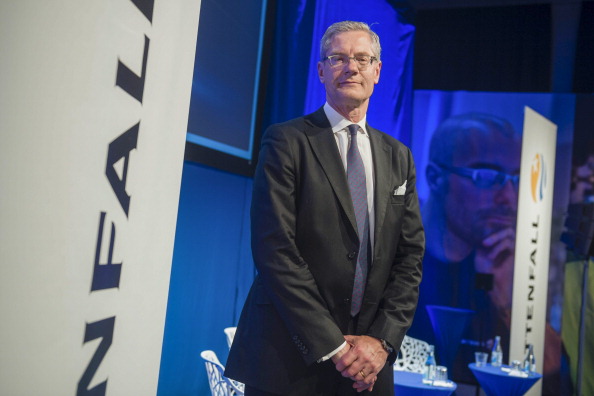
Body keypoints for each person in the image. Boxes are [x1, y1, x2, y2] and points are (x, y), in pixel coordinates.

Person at [225, 21, 424, 395]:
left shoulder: (400, 158)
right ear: (320, 70)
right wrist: (334, 346)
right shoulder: (286, 141)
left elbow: (409, 259)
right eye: (339, 58)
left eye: (363, 59)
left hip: (369, 367)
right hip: (289, 356)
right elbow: (275, 251)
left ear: (378, 71)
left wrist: (381, 343)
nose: (352, 67)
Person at [407, 113, 521, 382]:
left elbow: (545, 374)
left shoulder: (502, 264)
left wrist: (506, 302)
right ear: (436, 178)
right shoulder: (392, 250)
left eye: (515, 180)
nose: (509, 199)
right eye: (486, 176)